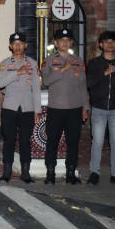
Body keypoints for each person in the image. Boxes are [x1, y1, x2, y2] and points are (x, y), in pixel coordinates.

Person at [41, 28, 90, 185]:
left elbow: (83, 86)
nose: (65, 43)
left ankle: (71, 173)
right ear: (55, 43)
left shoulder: (78, 61)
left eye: (68, 40)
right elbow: (46, 81)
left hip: (75, 108)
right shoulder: (48, 60)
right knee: (52, 141)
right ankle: (50, 173)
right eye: (62, 40)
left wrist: (85, 107)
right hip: (56, 108)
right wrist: (62, 70)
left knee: (73, 142)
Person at [86, 30, 115, 187]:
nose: (110, 44)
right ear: (101, 44)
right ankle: (94, 173)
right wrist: (105, 73)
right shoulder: (94, 63)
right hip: (99, 108)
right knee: (97, 142)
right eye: (106, 42)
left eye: (113, 42)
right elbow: (89, 83)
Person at [0, 33, 42, 183]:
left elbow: (36, 89)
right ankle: (7, 172)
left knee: (25, 141)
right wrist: (17, 73)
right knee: (9, 140)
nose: (17, 46)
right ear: (10, 46)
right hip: (9, 107)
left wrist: (37, 110)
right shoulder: (4, 64)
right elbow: (0, 84)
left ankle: (25, 172)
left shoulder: (33, 63)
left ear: (25, 45)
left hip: (27, 108)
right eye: (15, 44)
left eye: (20, 43)